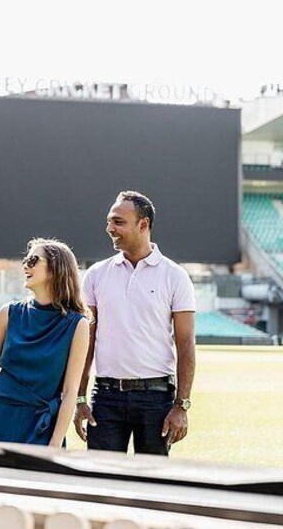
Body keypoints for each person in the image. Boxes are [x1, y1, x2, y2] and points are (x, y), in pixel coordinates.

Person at [74, 191, 196, 455]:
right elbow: (87, 340)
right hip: (105, 397)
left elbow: (186, 343)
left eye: (118, 222)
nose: (109, 228)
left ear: (143, 224)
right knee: (101, 480)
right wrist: (80, 398)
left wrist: (181, 405)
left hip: (156, 398)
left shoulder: (175, 276)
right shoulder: (96, 274)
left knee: (151, 484)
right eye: (109, 221)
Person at [0, 239, 89, 446]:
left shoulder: (77, 325)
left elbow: (69, 392)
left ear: (55, 269)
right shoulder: (8, 313)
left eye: (33, 260)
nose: (25, 265)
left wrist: (56, 442)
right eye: (25, 260)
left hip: (42, 427)